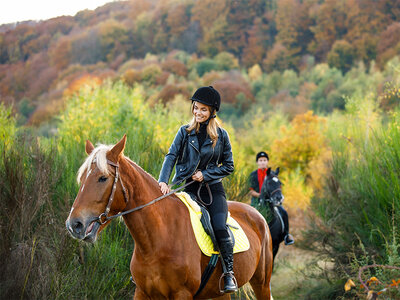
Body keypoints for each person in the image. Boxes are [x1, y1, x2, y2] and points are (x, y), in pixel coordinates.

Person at [158, 86, 237, 293]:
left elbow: (229, 166)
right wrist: (163, 181)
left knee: (219, 226)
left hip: (211, 191)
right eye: (196, 108)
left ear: (212, 112)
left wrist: (206, 175)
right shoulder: (184, 132)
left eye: (203, 109)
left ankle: (229, 273)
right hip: (184, 188)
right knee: (161, 224)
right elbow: (171, 156)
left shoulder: (222, 135)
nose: (198, 113)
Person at [249, 152, 294, 245]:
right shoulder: (253, 175)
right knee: (248, 216)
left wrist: (278, 197)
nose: (262, 162)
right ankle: (248, 235)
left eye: (264, 160)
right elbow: (250, 191)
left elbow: (277, 188)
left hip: (271, 202)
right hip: (256, 202)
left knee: (284, 212)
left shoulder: (272, 174)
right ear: (257, 162)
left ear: (267, 161)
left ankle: (286, 235)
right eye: (260, 160)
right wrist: (260, 195)